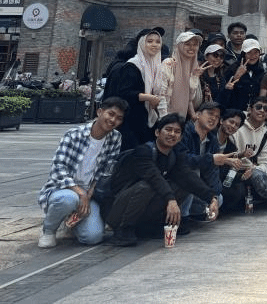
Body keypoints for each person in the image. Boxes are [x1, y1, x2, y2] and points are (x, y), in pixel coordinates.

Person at [106, 113, 219, 246]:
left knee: (183, 185)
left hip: (142, 208)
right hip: (117, 209)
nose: (172, 134)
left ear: (180, 137)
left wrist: (211, 198)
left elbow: (187, 176)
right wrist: (171, 200)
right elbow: (154, 177)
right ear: (157, 132)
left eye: (177, 131)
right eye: (168, 129)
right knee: (147, 186)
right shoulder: (143, 151)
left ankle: (151, 226)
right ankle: (124, 230)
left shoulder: (174, 154)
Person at [37, 97, 127, 248]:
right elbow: (58, 169)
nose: (113, 120)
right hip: (63, 188)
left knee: (93, 237)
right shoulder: (74, 134)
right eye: (110, 114)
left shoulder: (115, 138)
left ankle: (71, 223)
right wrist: (80, 193)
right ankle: (48, 230)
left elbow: (106, 171)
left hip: (89, 193)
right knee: (68, 199)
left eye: (119, 118)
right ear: (100, 112)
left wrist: (90, 192)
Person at [106, 27, 165, 149]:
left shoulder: (157, 66)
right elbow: (124, 93)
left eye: (158, 42)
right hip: (132, 120)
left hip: (148, 119)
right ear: (142, 43)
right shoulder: (133, 65)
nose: (154, 45)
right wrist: (148, 97)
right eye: (149, 41)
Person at [229, 95, 267, 208]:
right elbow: (229, 154)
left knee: (265, 184)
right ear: (250, 109)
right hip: (232, 169)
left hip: (253, 171)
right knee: (234, 194)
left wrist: (254, 170)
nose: (262, 111)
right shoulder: (237, 125)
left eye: (266, 109)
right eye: (258, 107)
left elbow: (265, 162)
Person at [224, 38, 266, 113]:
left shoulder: (262, 70)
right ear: (244, 54)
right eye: (249, 52)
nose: (253, 56)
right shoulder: (233, 68)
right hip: (235, 111)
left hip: (253, 112)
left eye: (256, 52)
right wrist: (236, 77)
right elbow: (225, 92)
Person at [195, 43, 230, 109]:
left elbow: (221, 100)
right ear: (206, 57)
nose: (218, 59)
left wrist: (226, 89)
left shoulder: (221, 77)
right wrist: (196, 77)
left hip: (215, 111)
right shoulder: (198, 73)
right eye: (215, 55)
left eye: (221, 56)